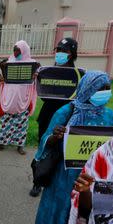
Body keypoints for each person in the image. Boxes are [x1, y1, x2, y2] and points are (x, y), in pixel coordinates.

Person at [28, 71, 113, 224]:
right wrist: (55, 138)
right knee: (60, 215)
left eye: (107, 88)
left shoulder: (109, 114)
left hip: (93, 176)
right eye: (100, 88)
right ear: (87, 89)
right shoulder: (65, 111)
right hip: (63, 176)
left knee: (85, 217)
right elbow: (44, 142)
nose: (105, 93)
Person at [30, 38, 79, 197]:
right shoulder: (48, 71)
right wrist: (39, 80)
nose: (60, 53)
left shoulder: (77, 75)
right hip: (47, 116)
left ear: (72, 54)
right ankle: (37, 182)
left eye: (64, 51)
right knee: (43, 148)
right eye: (58, 50)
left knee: (61, 151)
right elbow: (44, 97)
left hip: (67, 117)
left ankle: (57, 183)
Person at [0, 40, 37, 155]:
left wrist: (35, 77)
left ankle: (20, 146)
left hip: (23, 99)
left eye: (18, 50)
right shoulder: (9, 62)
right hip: (9, 98)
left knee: (22, 124)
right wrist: (1, 79)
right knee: (4, 122)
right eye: (14, 50)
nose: (15, 52)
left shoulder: (32, 64)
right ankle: (1, 143)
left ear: (24, 51)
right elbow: (4, 78)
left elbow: (35, 81)